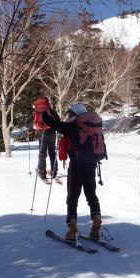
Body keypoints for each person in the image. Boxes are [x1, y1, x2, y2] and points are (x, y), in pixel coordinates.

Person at [41, 103, 106, 241]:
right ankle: (96, 224)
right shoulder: (93, 127)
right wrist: (53, 113)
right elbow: (59, 123)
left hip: (76, 166)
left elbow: (53, 124)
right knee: (91, 195)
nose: (69, 116)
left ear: (75, 115)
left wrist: (44, 113)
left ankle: (72, 230)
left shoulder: (72, 127)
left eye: (70, 113)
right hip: (92, 165)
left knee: (72, 198)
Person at [31, 97, 60, 180]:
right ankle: (54, 172)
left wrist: (33, 127)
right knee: (52, 152)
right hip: (52, 132)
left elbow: (27, 122)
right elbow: (58, 120)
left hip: (42, 133)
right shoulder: (51, 111)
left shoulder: (36, 112)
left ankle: (42, 173)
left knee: (42, 153)